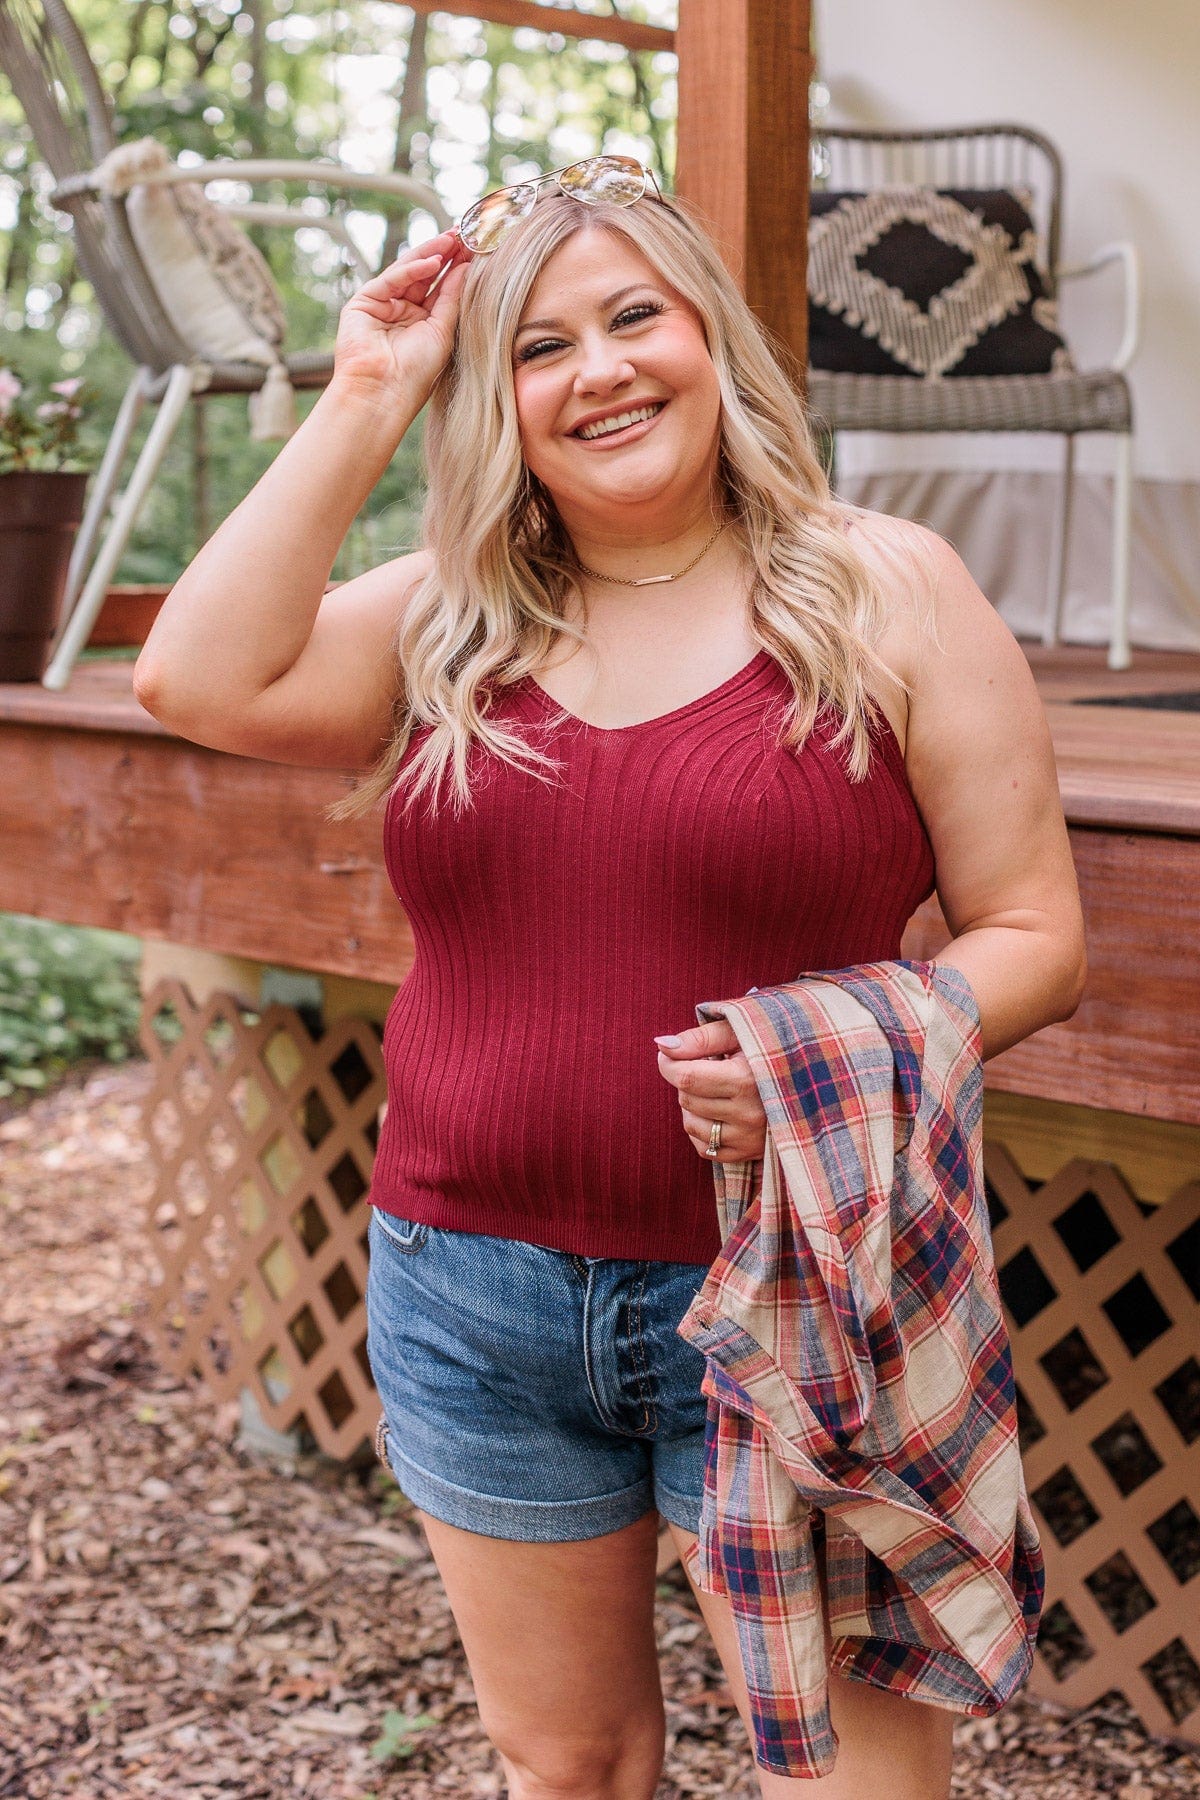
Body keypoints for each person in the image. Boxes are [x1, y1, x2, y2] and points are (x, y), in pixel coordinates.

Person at [133, 156, 1086, 1800]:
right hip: (471, 1289)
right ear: (495, 398)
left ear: (713, 340)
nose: (603, 369)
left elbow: (1037, 937)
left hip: (789, 1293)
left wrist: (823, 1037)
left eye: (636, 317)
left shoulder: (884, 589)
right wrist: (369, 387)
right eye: (540, 345)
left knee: (854, 1786)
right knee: (564, 1764)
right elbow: (195, 677)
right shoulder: (449, 618)